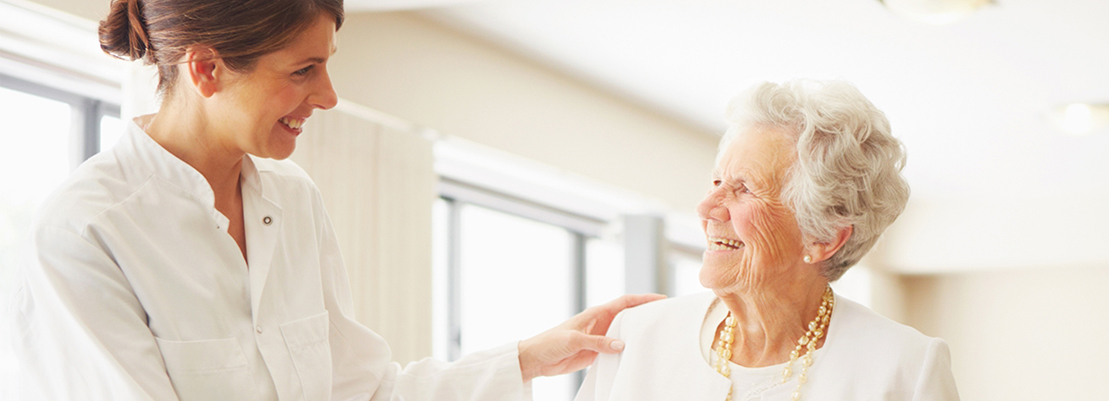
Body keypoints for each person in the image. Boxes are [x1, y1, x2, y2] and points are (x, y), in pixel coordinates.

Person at [8, 0, 660, 400]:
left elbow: (366, 391)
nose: (327, 96)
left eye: (325, 65)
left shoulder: (291, 200)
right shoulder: (83, 231)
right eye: (302, 70)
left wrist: (530, 356)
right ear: (205, 69)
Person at [574, 80, 960, 401]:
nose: (707, 207)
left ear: (822, 238)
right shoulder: (636, 338)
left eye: (744, 189)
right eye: (717, 182)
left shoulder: (905, 367)